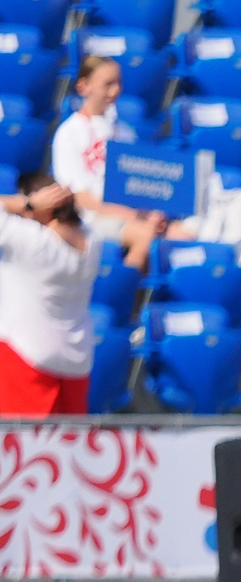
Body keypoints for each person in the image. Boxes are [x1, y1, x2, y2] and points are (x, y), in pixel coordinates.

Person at [0, 178, 161, 417]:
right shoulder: (92, 241)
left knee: (26, 449)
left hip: (26, 359)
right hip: (76, 362)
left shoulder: (31, 241)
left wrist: (28, 203)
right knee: (67, 448)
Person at [50, 57, 137, 240]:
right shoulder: (69, 133)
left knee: (182, 235)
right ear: (83, 87)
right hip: (90, 220)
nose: (115, 90)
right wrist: (128, 214)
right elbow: (80, 198)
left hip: (130, 215)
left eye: (118, 83)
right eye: (108, 84)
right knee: (144, 236)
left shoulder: (126, 133)